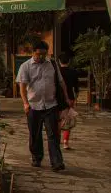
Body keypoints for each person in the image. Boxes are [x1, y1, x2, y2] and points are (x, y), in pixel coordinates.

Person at [17, 41, 70, 171]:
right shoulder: (25, 66)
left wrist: (67, 98)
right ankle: (37, 158)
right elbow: (22, 88)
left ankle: (56, 162)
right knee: (35, 135)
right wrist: (25, 104)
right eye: (38, 54)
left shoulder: (52, 64)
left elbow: (61, 82)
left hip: (51, 105)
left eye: (44, 54)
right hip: (33, 106)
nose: (41, 56)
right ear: (33, 52)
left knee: (53, 135)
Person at [57, 52, 80, 150]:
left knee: (57, 119)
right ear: (69, 61)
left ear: (59, 61)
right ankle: (65, 142)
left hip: (57, 98)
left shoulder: (56, 72)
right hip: (70, 98)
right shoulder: (73, 72)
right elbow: (77, 88)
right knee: (68, 120)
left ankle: (56, 141)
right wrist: (75, 98)